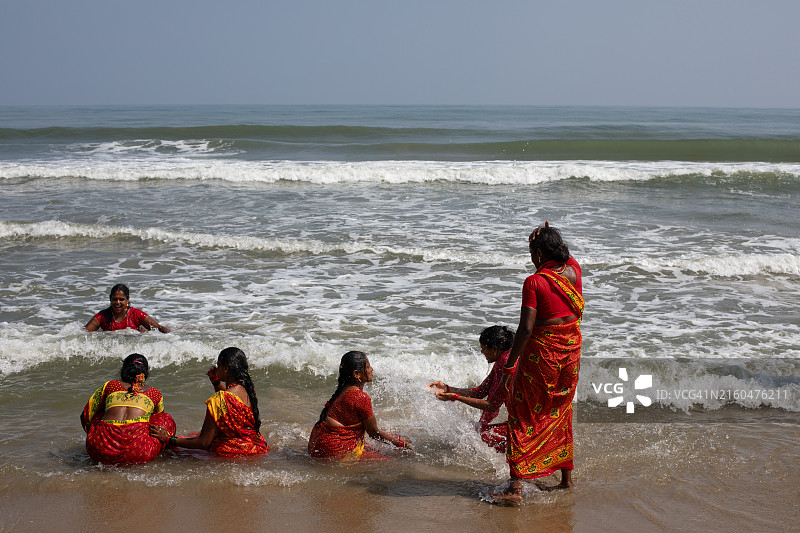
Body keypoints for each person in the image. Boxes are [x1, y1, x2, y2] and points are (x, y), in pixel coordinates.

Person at [491, 221, 584, 503]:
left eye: (532, 252)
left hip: (543, 356)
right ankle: (566, 480)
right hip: (570, 353)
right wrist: (546, 233)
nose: (531, 259)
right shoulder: (575, 269)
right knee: (560, 408)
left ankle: (515, 487)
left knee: (522, 411)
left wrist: (509, 366)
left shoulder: (534, 282)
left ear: (540, 255)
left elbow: (526, 329)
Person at [150, 347, 269, 457]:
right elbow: (229, 400)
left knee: (174, 448)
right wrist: (215, 381)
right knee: (192, 435)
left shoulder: (217, 400)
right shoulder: (248, 391)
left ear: (226, 368)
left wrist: (168, 438)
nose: (217, 368)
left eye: (219, 365)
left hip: (231, 451)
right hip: (256, 447)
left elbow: (203, 442)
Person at [308, 351, 413, 462]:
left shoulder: (344, 389)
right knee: (390, 461)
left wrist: (395, 437)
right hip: (334, 451)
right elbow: (373, 432)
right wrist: (401, 443)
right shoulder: (360, 397)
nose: (371, 369)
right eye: (368, 367)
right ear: (356, 374)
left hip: (319, 446)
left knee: (376, 449)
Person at [429, 325, 515, 452]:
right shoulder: (502, 361)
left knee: (479, 439)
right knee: (474, 434)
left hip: (530, 426)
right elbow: (480, 391)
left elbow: (491, 405)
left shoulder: (508, 366)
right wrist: (447, 388)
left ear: (495, 349)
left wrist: (455, 397)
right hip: (519, 420)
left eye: (483, 349)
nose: (482, 352)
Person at [81, 353, 176, 465]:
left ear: (123, 370)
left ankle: (99, 441)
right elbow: (158, 422)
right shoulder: (155, 394)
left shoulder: (110, 385)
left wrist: (95, 438)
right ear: (146, 373)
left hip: (99, 451)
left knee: (98, 412)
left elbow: (85, 415)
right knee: (165, 418)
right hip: (138, 454)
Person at [85, 283, 170, 333]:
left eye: (121, 299)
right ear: (110, 299)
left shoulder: (136, 314)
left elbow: (158, 328)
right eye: (115, 299)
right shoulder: (102, 316)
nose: (117, 302)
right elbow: (84, 333)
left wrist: (173, 336)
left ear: (127, 300)